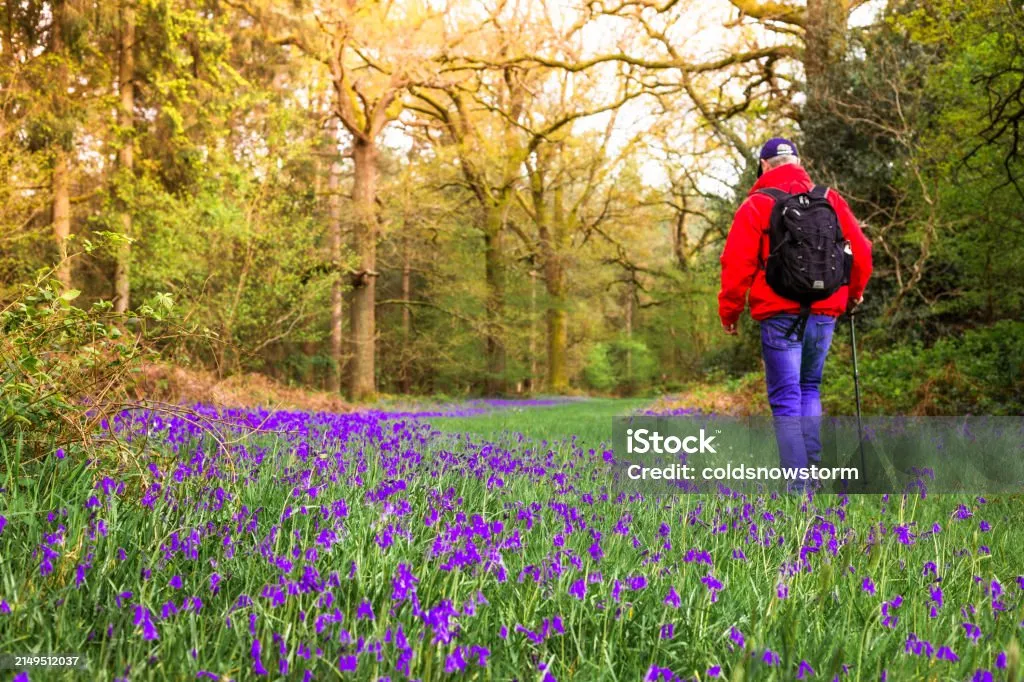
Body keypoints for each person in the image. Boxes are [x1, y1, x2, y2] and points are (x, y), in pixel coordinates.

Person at [718, 137, 873, 489]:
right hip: (824, 311)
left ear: (763, 166)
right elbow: (860, 251)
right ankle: (812, 474)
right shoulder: (829, 198)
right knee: (809, 388)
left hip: (778, 313)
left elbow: (735, 264)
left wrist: (730, 311)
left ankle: (798, 487)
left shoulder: (756, 204)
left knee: (786, 397)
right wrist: (855, 294)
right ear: (799, 162)